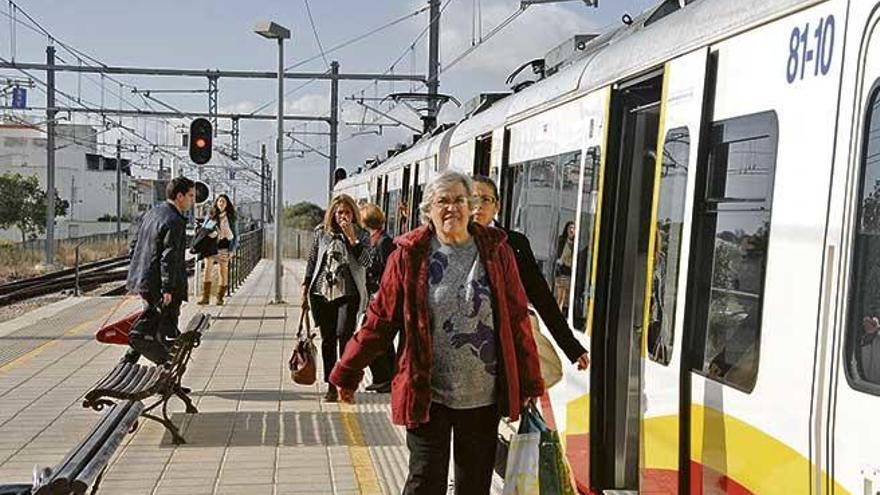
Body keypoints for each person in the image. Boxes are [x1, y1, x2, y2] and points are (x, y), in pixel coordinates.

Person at [330, 171, 545, 495]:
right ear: (428, 209)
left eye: (459, 199)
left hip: (482, 398)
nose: (452, 208)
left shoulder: (496, 251)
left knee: (474, 486)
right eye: (442, 201)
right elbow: (381, 320)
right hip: (427, 393)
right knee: (424, 482)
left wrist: (529, 382)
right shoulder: (409, 254)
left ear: (471, 206)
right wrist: (347, 370)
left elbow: (517, 320)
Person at [471, 176, 590, 370]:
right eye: (472, 199)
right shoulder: (451, 244)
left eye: (486, 200)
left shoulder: (514, 244)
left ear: (497, 207)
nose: (478, 206)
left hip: (503, 347)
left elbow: (541, 295)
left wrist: (571, 346)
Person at [302, 194, 371, 402]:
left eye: (348, 213)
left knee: (345, 336)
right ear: (333, 214)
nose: (344, 217)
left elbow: (367, 262)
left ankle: (346, 383)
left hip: (348, 294)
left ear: (353, 214)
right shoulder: (321, 233)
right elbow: (313, 260)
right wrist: (305, 288)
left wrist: (352, 238)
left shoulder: (361, 233)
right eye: (340, 212)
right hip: (322, 294)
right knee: (328, 340)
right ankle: (331, 385)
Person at [125, 176, 195, 364]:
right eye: (190, 195)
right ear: (179, 196)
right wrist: (168, 288)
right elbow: (169, 258)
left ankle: (128, 362)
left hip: (146, 280)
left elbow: (134, 245)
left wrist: (139, 272)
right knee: (164, 330)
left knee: (150, 324)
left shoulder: (153, 212)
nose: (192, 200)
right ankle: (166, 375)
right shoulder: (174, 220)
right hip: (159, 284)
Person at [359, 203, 396, 393]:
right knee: (380, 338)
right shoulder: (373, 239)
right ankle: (384, 377)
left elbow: (388, 272)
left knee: (374, 337)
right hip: (373, 296)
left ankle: (385, 377)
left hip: (380, 298)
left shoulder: (384, 242)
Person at [197, 194, 238, 306]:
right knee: (207, 270)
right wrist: (211, 229)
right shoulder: (211, 215)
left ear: (227, 204)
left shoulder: (230, 217)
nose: (221, 204)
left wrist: (232, 249)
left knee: (223, 271)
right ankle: (205, 297)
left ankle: (220, 298)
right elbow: (204, 229)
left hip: (224, 246)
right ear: (216, 203)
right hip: (211, 246)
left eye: (223, 202)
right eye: (220, 201)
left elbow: (235, 234)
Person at [555, 221, 576, 309]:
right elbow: (560, 255)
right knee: (560, 295)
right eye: (570, 228)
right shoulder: (562, 240)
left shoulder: (575, 243)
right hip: (561, 271)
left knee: (565, 297)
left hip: (569, 271)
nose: (571, 230)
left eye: (573, 228)